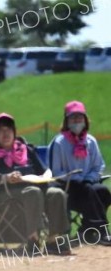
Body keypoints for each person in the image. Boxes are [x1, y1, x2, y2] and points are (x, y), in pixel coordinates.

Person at [0, 113, 71, 254]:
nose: (6, 133)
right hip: (3, 194)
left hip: (33, 189)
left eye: (9, 130)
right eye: (1, 130)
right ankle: (32, 239)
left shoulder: (26, 149)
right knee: (33, 192)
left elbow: (46, 172)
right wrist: (5, 178)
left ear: (14, 132)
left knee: (56, 193)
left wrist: (39, 177)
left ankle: (53, 240)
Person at [49, 100, 111, 245]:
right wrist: (77, 178)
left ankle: (86, 230)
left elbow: (98, 166)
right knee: (88, 189)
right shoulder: (58, 143)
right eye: (73, 117)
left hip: (88, 186)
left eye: (80, 117)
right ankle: (102, 230)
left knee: (103, 190)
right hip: (67, 187)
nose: (77, 120)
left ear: (85, 120)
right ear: (66, 121)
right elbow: (56, 172)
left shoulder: (91, 141)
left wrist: (89, 178)